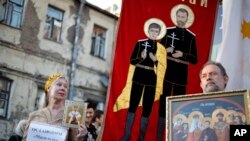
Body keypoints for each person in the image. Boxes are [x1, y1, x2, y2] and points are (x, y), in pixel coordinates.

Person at [121, 18, 167, 141]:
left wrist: (155, 60)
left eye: (156, 32)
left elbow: (163, 67)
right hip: (139, 75)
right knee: (133, 105)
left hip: (151, 78)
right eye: (151, 31)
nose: (153, 33)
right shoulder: (140, 43)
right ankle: (126, 135)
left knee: (147, 108)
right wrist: (140, 58)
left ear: (158, 34)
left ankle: (141, 138)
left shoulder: (160, 48)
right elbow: (132, 60)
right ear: (148, 31)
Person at [157, 7, 198, 140]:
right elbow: (158, 53)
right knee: (163, 106)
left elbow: (194, 59)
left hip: (181, 75)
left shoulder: (191, 37)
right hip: (167, 74)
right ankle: (158, 137)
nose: (181, 19)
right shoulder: (167, 32)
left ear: (187, 19)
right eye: (179, 16)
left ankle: (175, 137)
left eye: (183, 17)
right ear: (175, 17)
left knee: (179, 107)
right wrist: (166, 51)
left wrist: (183, 54)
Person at [21, 73, 87, 141]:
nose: (62, 88)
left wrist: (80, 137)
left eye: (65, 86)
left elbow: (75, 139)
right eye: (59, 84)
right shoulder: (34, 115)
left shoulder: (70, 117)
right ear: (48, 88)